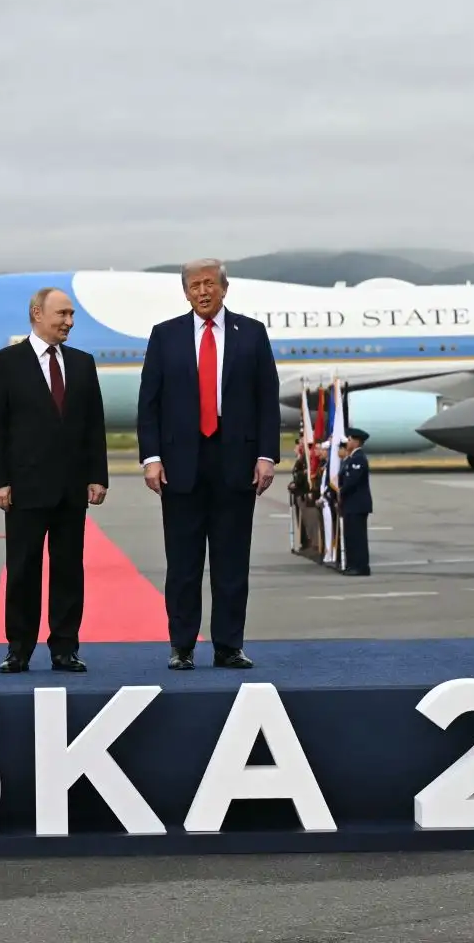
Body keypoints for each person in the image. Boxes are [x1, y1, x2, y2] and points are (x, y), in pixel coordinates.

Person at [137, 259, 281, 670]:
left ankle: (228, 646)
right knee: (182, 564)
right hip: (180, 465)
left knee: (231, 562)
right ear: (186, 293)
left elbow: (266, 401)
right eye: (195, 285)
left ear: (224, 288)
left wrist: (266, 456)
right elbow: (150, 403)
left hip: (235, 462)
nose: (203, 291)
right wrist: (151, 458)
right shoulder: (165, 336)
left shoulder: (251, 334)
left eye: (210, 284)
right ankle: (181, 646)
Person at [0, 286, 109, 673]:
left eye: (72, 315)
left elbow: (93, 425)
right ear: (37, 314)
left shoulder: (83, 363)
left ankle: (64, 648)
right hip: (24, 489)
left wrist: (97, 476)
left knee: (69, 570)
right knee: (23, 570)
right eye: (62, 314)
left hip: (72, 489)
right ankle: (18, 649)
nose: (69, 322)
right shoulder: (5, 363)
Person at [337, 427, 373, 575]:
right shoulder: (350, 459)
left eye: (350, 439)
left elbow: (352, 480)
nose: (348, 442)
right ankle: (352, 564)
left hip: (358, 504)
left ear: (357, 442)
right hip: (350, 504)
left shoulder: (359, 458)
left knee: (358, 537)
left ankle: (361, 566)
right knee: (350, 536)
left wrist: (341, 491)